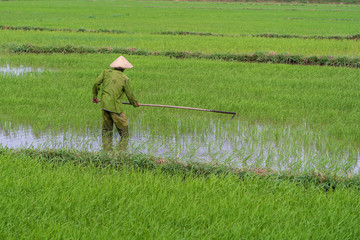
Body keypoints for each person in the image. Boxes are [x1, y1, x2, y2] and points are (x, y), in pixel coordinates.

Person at [92, 56, 139, 152]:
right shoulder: (124, 78)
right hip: (115, 107)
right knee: (124, 132)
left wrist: (95, 97)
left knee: (106, 131)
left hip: (104, 105)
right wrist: (134, 103)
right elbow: (129, 94)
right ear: (124, 68)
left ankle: (107, 153)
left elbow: (96, 83)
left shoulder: (106, 72)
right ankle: (121, 153)